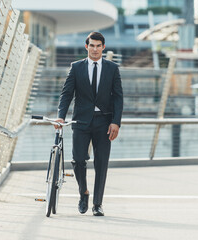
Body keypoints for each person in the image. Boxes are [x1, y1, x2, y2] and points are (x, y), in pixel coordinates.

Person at [55, 32, 123, 216]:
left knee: (101, 163)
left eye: (98, 46)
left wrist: (116, 122)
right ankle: (83, 192)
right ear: (86, 47)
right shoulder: (76, 67)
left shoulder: (112, 68)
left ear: (103, 47)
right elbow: (66, 94)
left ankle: (97, 204)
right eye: (91, 45)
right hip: (81, 121)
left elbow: (118, 98)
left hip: (104, 122)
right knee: (78, 160)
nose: (94, 49)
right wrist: (61, 116)